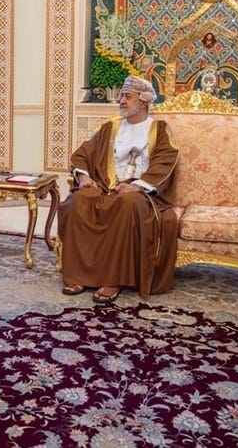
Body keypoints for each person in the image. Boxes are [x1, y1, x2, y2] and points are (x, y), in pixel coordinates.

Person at [57, 75, 179, 304]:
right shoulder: (111, 127)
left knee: (126, 204)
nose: (121, 101)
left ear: (143, 102)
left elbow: (166, 161)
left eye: (127, 96)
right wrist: (83, 177)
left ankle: (113, 280)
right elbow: (82, 153)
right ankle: (79, 275)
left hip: (141, 192)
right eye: (122, 96)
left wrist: (136, 186)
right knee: (78, 202)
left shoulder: (159, 129)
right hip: (106, 185)